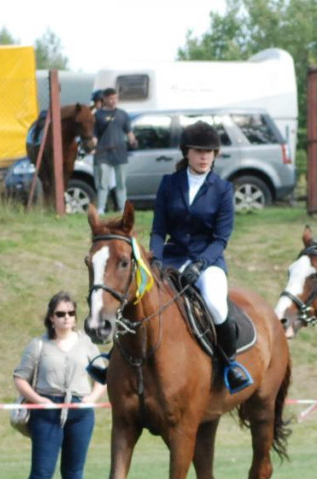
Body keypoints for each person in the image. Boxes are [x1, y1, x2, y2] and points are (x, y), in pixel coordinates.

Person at [149, 120, 252, 394]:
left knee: (216, 305)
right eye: (198, 151)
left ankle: (229, 364)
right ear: (187, 153)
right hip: (172, 258)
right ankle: (115, 359)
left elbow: (221, 238)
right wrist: (156, 259)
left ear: (215, 154)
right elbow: (158, 230)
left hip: (208, 261)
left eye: (209, 152)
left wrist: (200, 264)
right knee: (140, 297)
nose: (204, 156)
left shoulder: (223, 189)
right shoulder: (169, 184)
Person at [13, 292, 106, 479]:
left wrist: (92, 399)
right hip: (47, 412)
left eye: (71, 313)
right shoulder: (38, 345)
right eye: (60, 314)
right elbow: (20, 377)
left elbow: (102, 376)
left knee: (74, 473)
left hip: (80, 413)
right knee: (41, 473)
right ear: (51, 318)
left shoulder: (86, 344)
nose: (67, 318)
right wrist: (39, 400)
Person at [92, 88, 137, 214]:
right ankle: (101, 208)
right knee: (102, 183)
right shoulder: (97, 115)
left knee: (121, 183)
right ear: (105, 99)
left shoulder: (122, 114)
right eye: (111, 99)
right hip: (102, 153)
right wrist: (93, 145)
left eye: (115, 98)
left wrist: (133, 141)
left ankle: (123, 208)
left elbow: (128, 131)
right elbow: (94, 134)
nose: (113, 101)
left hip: (120, 152)